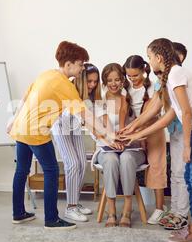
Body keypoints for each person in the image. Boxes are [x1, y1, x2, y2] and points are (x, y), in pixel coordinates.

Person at [8, 41, 120, 231]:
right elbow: (85, 114)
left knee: (21, 171)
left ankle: (18, 213)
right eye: (80, 64)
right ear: (68, 64)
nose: (81, 68)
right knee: (51, 171)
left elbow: (25, 97)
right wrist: (109, 134)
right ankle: (51, 219)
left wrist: (13, 120)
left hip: (21, 128)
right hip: (36, 132)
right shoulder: (64, 84)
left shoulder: (46, 74)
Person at [120, 38, 192, 242]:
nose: (148, 61)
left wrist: (187, 145)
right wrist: (135, 131)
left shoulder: (175, 74)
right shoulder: (170, 76)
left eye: (149, 56)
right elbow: (168, 115)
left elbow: (188, 113)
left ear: (158, 57)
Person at [97, 63, 146, 228]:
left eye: (117, 79)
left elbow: (134, 126)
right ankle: (111, 211)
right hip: (107, 147)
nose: (113, 83)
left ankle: (127, 209)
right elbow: (106, 127)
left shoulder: (129, 98)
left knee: (126, 158)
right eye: (109, 80)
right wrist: (113, 139)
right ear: (104, 81)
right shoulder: (100, 101)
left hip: (132, 147)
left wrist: (125, 138)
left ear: (123, 80)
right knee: (111, 160)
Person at [51, 63, 102, 222]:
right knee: (72, 163)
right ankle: (70, 208)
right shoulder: (70, 90)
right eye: (90, 81)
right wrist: (102, 138)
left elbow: (92, 121)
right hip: (60, 126)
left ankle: (76, 202)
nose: (93, 85)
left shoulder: (89, 97)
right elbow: (86, 121)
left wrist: (102, 136)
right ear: (81, 79)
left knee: (82, 162)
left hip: (74, 128)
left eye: (95, 81)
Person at [123, 55, 167, 225]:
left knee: (157, 166)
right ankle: (129, 207)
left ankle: (159, 209)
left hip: (153, 130)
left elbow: (153, 113)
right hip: (134, 131)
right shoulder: (125, 88)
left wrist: (139, 131)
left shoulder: (153, 87)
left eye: (135, 75)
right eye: (129, 76)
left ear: (143, 70)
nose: (132, 79)